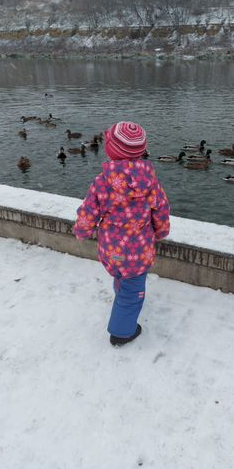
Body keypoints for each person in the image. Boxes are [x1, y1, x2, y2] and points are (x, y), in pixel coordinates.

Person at [73, 121, 170, 346]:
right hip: (138, 251)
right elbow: (162, 211)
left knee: (120, 276)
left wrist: (82, 231)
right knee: (132, 293)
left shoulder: (102, 182)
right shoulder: (151, 183)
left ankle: (121, 297)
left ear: (111, 150)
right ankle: (121, 333)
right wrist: (161, 232)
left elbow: (88, 211)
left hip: (110, 248)